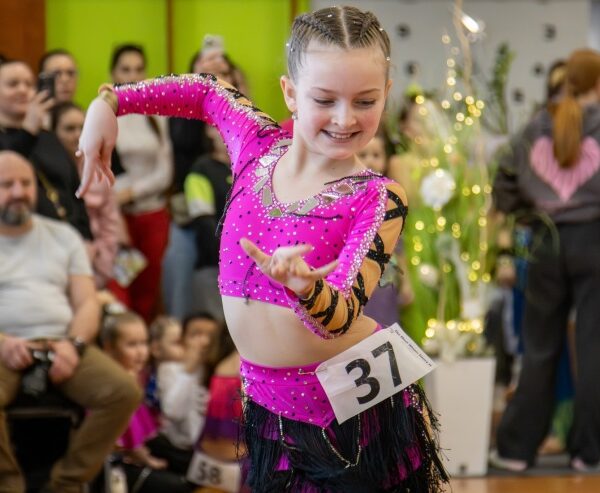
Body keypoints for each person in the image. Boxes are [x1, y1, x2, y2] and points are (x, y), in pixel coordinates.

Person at [78, 5, 447, 491]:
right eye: (324, 99)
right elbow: (204, 91)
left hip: (351, 416)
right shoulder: (255, 145)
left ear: (386, 94)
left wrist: (305, 289)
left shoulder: (377, 197)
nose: (344, 118)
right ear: (290, 93)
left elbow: (340, 313)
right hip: (271, 407)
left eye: (365, 101)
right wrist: (109, 104)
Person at [0, 151, 140, 493]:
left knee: (123, 392)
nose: (18, 192)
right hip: (4, 344)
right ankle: (8, 484)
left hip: (61, 342)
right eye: (7, 185)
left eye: (25, 183)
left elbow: (87, 303)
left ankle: (65, 482)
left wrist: (73, 345)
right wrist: (3, 342)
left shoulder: (63, 236)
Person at [491, 49, 600, 472]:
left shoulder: (535, 126)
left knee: (538, 347)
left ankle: (516, 450)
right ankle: (589, 452)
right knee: (594, 347)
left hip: (544, 242)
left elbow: (504, 180)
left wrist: (527, 213)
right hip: (595, 241)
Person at [108, 44, 173, 322]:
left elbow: (165, 171)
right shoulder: (104, 113)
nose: (132, 75)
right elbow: (100, 165)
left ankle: (142, 341)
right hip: (116, 217)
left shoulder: (157, 114)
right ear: (113, 73)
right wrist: (118, 198)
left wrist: (132, 192)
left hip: (153, 214)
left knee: (149, 286)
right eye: (125, 69)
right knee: (119, 286)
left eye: (138, 69)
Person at [0, 60, 92, 241]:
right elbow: (9, 169)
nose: (22, 90)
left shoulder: (48, 137)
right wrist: (28, 131)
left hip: (71, 239)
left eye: (29, 84)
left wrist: (87, 238)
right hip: (21, 242)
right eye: (13, 84)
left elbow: (75, 191)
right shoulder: (21, 136)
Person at [51, 101, 121, 288]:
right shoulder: (47, 172)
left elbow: (110, 223)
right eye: (69, 129)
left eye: (82, 128)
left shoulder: (99, 166)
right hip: (58, 266)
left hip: (97, 264)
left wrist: (102, 267)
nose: (77, 134)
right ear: (53, 133)